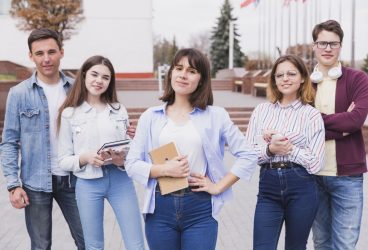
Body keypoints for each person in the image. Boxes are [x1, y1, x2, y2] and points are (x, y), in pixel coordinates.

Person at [125, 48, 258, 250]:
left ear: (202, 79)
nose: (183, 75)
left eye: (192, 71)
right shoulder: (150, 116)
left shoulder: (216, 115)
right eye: (179, 68)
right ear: (171, 73)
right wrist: (163, 170)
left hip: (200, 206)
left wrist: (219, 186)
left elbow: (248, 154)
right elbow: (131, 163)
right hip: (160, 206)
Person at [0, 28, 85, 249]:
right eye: (39, 53)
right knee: (40, 246)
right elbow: (9, 141)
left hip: (73, 179)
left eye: (51, 52)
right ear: (31, 56)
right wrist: (12, 185)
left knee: (89, 241)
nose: (46, 59)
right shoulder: (19, 93)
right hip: (35, 182)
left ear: (61, 52)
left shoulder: (77, 89)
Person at [57, 55, 145, 250]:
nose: (99, 81)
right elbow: (62, 160)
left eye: (105, 77)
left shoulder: (119, 109)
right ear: (84, 76)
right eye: (94, 74)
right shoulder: (69, 113)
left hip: (120, 180)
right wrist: (85, 157)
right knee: (94, 246)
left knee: (135, 244)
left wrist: (125, 153)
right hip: (88, 185)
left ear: (110, 82)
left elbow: (130, 150)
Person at [245, 54, 325, 249]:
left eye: (291, 74)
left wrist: (290, 149)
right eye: (279, 75)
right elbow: (247, 153)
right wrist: (270, 149)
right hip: (268, 186)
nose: (285, 79)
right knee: (262, 246)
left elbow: (316, 163)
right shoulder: (261, 111)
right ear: (274, 80)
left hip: (302, 187)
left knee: (296, 246)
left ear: (303, 78)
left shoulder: (311, 114)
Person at [310, 20, 368, 250]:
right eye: (322, 43)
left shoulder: (358, 79)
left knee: (344, 244)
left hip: (348, 177)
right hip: (312, 174)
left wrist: (315, 120)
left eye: (333, 44)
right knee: (321, 242)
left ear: (340, 46)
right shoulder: (304, 82)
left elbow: (356, 121)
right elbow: (299, 127)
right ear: (314, 45)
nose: (327, 48)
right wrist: (341, 124)